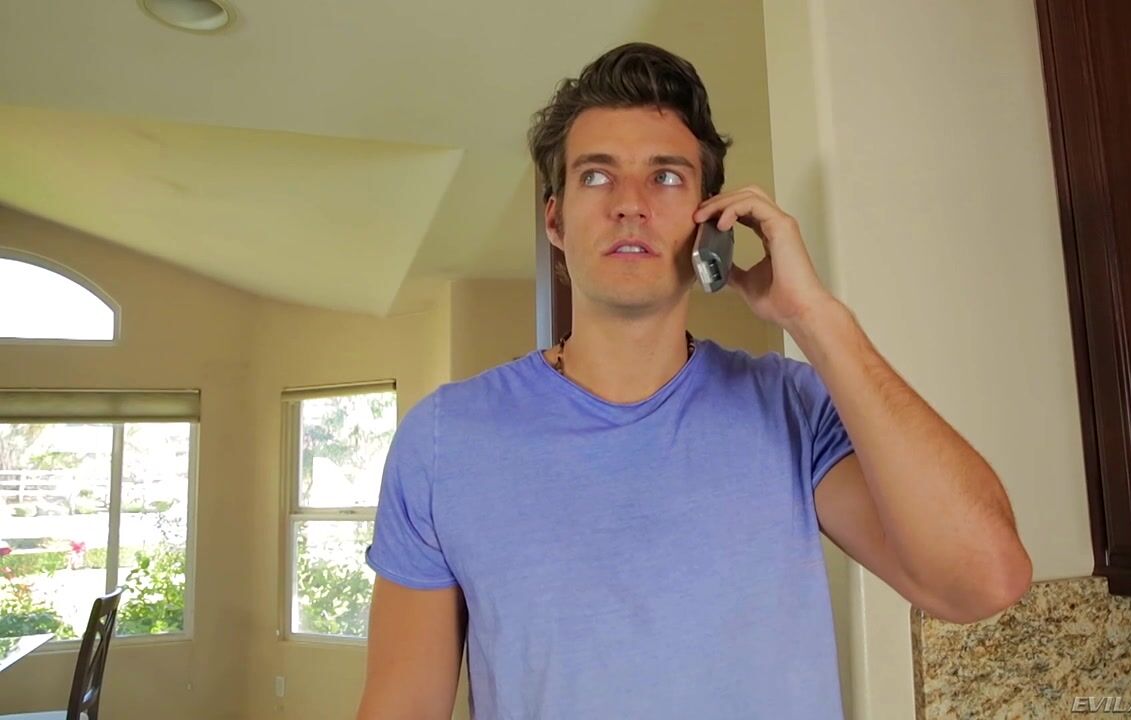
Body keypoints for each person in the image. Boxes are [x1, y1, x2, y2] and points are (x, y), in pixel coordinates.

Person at [357, 42, 1031, 720]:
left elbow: (982, 581)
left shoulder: (792, 408)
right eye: (597, 176)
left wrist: (816, 318)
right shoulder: (444, 440)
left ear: (712, 220)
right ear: (554, 220)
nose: (630, 205)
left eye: (666, 177)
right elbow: (401, 706)